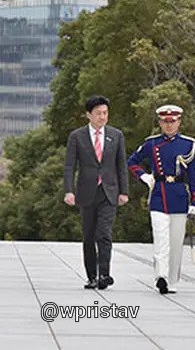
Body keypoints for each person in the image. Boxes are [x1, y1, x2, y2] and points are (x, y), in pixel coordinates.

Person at [127, 105, 195, 294]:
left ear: (179, 122)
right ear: (160, 122)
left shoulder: (188, 144)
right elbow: (132, 162)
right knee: (161, 239)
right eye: (165, 122)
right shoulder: (151, 144)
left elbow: (193, 176)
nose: (169, 125)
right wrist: (144, 177)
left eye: (173, 121)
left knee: (176, 242)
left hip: (179, 196)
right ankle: (161, 276)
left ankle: (172, 279)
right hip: (159, 195)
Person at [63, 95, 129, 290]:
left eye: (105, 113)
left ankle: (104, 275)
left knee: (104, 234)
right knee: (89, 236)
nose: (103, 117)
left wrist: (124, 191)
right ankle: (92, 276)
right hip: (87, 192)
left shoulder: (116, 135)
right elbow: (69, 166)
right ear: (88, 115)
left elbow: (121, 165)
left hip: (109, 191)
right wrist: (69, 191)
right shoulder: (77, 136)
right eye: (98, 113)